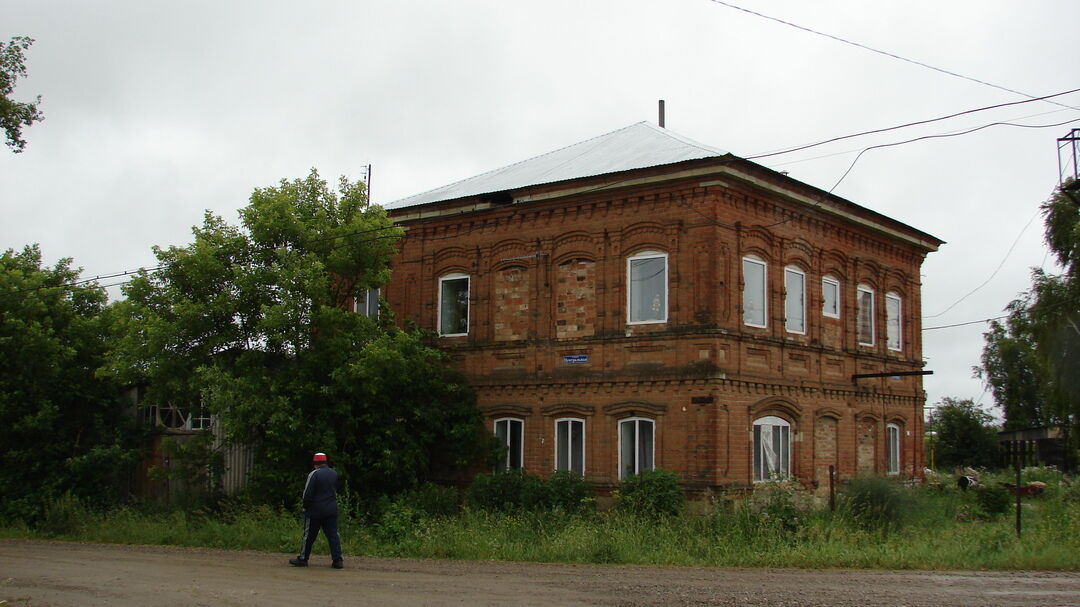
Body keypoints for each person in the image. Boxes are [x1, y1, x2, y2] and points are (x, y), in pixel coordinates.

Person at [289, 452, 343, 569]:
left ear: (315, 463)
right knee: (333, 535)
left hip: (315, 510)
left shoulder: (314, 474)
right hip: (331, 509)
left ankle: (303, 559)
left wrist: (305, 506)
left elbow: (307, 494)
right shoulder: (334, 473)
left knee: (309, 536)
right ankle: (337, 560)